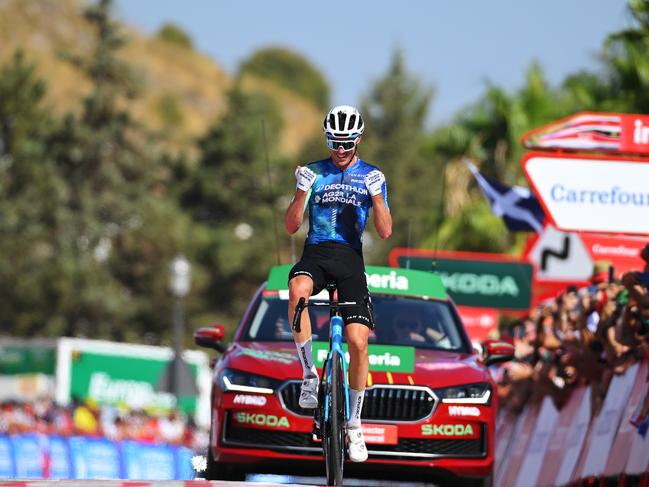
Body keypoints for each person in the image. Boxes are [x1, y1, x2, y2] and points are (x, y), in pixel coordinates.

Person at [285, 105, 392, 463]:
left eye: (347, 142)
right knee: (297, 290)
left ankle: (355, 424)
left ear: (359, 139)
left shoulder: (372, 174)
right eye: (334, 141)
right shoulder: (313, 171)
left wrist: (377, 196)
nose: (341, 148)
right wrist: (301, 193)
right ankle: (309, 375)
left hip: (349, 258)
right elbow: (290, 226)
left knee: (358, 342)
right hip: (316, 252)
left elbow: (386, 230)